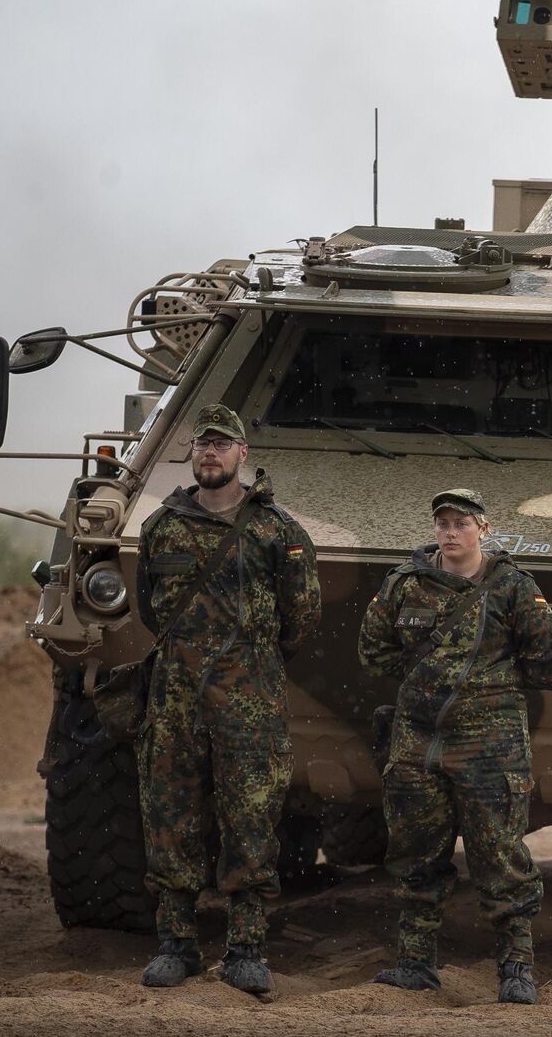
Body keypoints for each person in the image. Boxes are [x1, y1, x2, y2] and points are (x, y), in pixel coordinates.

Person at [137, 403, 322, 995]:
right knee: (171, 819)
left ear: (244, 453)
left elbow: (301, 616)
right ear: (192, 453)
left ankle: (246, 949)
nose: (210, 453)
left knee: (250, 821)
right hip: (176, 701)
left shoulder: (278, 531)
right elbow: (149, 610)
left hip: (250, 702)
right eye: (202, 444)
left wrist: (250, 659)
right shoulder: (161, 528)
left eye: (221, 444)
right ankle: (176, 945)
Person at [359, 488, 552, 1004]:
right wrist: (425, 680)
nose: (451, 532)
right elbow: (373, 648)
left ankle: (516, 970)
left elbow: (550, 664)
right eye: (443, 523)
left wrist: (489, 687)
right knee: (415, 853)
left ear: (483, 529)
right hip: (418, 740)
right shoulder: (405, 584)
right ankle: (415, 964)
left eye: (462, 523)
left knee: (499, 855)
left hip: (490, 743)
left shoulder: (513, 587)